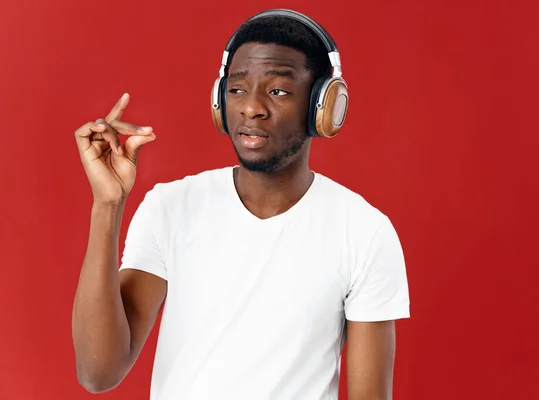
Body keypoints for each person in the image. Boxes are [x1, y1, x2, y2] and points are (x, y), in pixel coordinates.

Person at [71, 9, 410, 400]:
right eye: (236, 89)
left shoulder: (364, 232)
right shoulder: (170, 207)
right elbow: (98, 372)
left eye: (278, 91)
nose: (251, 108)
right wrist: (107, 204)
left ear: (324, 106)